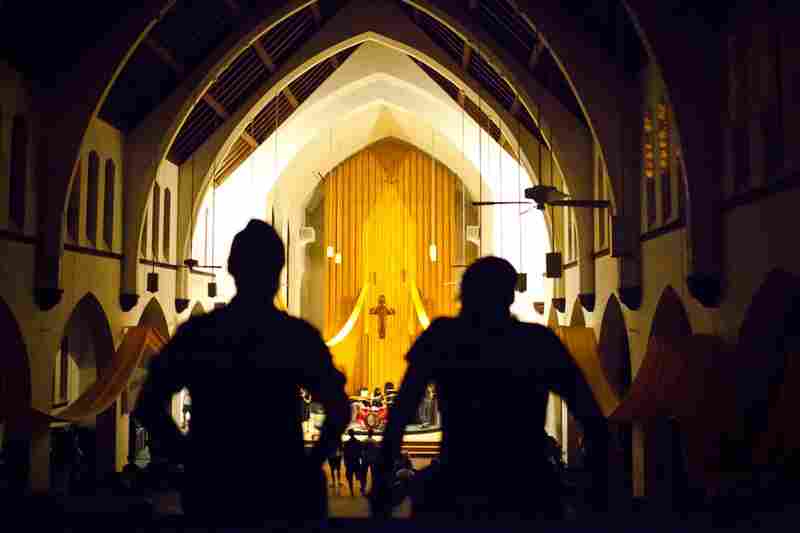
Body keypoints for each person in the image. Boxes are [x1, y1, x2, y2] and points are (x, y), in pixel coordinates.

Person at [134, 219, 350, 524]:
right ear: (279, 271)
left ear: (232, 268)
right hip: (281, 489)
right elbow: (339, 408)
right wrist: (309, 464)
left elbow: (148, 404)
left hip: (215, 492)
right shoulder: (295, 337)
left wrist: (190, 458)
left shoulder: (200, 334)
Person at [371, 256, 609, 520]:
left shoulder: (442, 337)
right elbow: (589, 414)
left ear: (464, 295)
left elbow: (402, 410)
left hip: (457, 484)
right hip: (526, 489)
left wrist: (382, 476)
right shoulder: (537, 342)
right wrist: (599, 487)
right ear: (509, 296)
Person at [343, 429, 364, 497]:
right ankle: (362, 489)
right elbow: (361, 453)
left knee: (350, 478)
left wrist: (345, 462)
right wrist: (361, 461)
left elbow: (345, 454)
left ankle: (352, 491)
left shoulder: (346, 443)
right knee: (360, 476)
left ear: (349, 434)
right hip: (356, 462)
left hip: (349, 463)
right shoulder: (358, 442)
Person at [363, 429, 381, 495]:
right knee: (373, 474)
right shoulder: (374, 441)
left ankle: (363, 487)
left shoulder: (365, 441)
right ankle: (373, 487)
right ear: (372, 434)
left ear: (368, 433)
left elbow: (363, 450)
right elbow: (377, 450)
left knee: (364, 473)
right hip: (373, 459)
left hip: (365, 459)